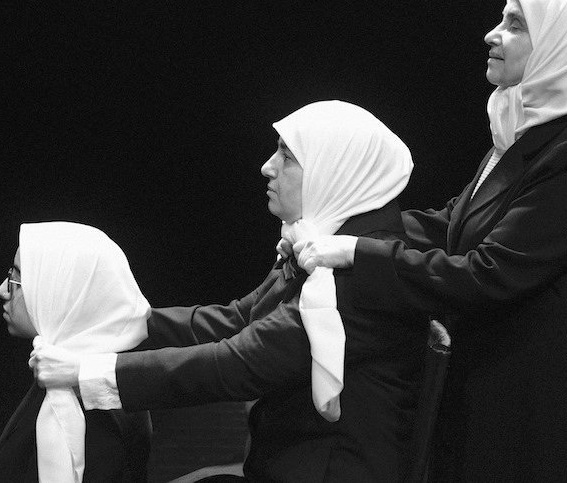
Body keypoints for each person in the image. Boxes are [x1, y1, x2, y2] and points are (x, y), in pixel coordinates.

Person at [294, 0, 567, 481]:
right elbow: (453, 223)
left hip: (545, 402)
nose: (492, 35)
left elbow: (488, 273)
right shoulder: (526, 136)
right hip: (498, 385)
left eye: (515, 24)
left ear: (560, 45)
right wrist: (339, 223)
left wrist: (356, 251)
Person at [30, 100, 429, 483]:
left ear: (334, 172)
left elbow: (238, 364)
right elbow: (239, 319)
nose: (267, 167)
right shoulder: (322, 242)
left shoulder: (356, 271)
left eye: (287, 157)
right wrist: (111, 319)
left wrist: (86, 373)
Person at [0, 222, 154, 483]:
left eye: (18, 279)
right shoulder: (60, 373)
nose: (3, 289)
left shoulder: (92, 406)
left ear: (62, 293)